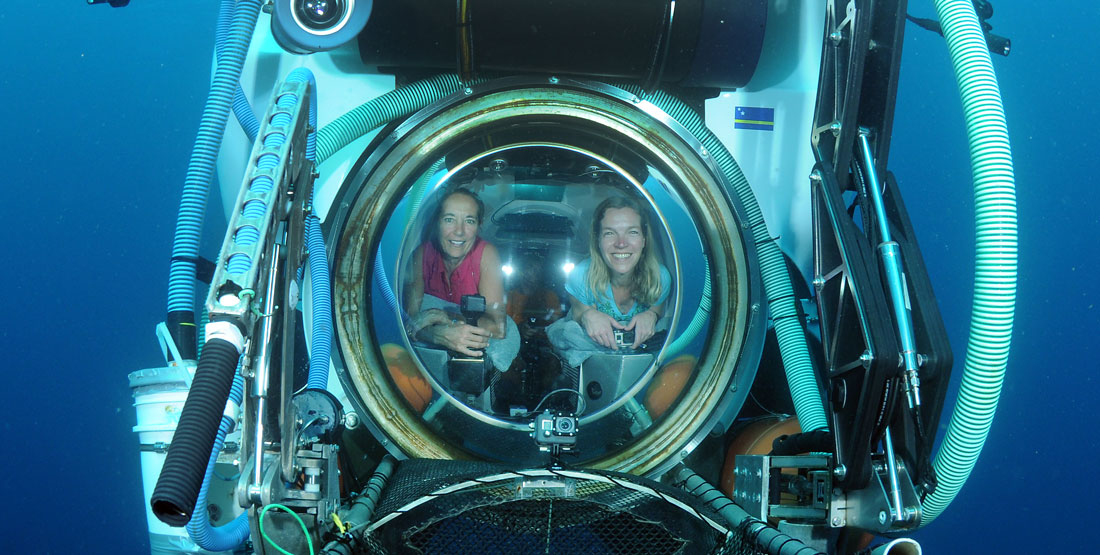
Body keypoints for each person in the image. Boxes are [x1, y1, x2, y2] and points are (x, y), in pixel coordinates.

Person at [404, 187, 507, 358]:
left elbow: (497, 327)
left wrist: (443, 316)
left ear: (479, 226)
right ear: (437, 222)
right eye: (449, 219)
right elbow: (411, 323)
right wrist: (436, 334)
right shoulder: (421, 255)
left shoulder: (487, 255)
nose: (459, 231)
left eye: (469, 221)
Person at [564, 196, 671, 351]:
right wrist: (588, 315)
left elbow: (656, 311)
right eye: (609, 233)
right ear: (598, 240)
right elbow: (578, 318)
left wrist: (651, 316)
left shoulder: (660, 277)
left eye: (632, 232)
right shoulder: (581, 276)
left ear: (644, 240)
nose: (621, 243)